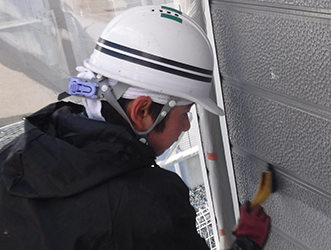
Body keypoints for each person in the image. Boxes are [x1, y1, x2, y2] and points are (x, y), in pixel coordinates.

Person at [0, 5, 270, 250]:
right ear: (142, 111)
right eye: (185, 112)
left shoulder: (21, 152)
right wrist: (247, 243)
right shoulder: (147, 205)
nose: (187, 126)